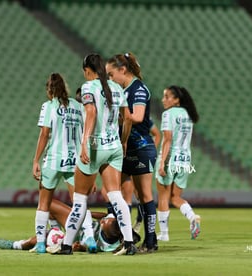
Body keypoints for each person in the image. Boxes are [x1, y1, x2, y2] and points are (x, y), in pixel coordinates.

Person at [51, 53, 136, 256]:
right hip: (114, 146)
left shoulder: (89, 87)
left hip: (95, 146)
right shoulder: (117, 87)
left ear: (87, 70)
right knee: (116, 196)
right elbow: (128, 119)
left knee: (80, 200)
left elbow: (91, 113)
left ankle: (66, 246)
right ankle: (129, 243)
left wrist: (84, 144)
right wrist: (123, 141)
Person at [31, 73, 95, 254]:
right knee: (80, 201)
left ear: (49, 90)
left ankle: (42, 244)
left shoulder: (49, 106)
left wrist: (36, 160)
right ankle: (89, 237)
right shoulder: (78, 106)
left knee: (44, 202)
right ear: (65, 88)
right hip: (75, 160)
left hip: (53, 159)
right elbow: (86, 134)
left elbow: (44, 134)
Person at [106, 52, 158, 253]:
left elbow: (137, 116)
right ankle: (124, 237)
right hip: (124, 147)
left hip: (141, 147)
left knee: (144, 194)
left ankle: (151, 241)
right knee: (115, 191)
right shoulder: (123, 89)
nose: (110, 79)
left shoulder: (138, 89)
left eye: (111, 74)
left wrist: (121, 117)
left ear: (122, 70)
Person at [0, 199, 140, 252]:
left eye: (103, 224)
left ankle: (15, 245)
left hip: (75, 236)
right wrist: (87, 213)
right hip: (79, 223)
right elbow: (104, 216)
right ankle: (55, 227)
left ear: (110, 234)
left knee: (45, 237)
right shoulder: (114, 222)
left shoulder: (108, 246)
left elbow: (83, 248)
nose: (103, 221)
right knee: (49, 206)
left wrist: (81, 248)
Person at [155, 85, 201, 241]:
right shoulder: (188, 115)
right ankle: (192, 217)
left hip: (170, 158)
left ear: (176, 100)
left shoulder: (168, 114)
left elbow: (167, 140)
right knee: (175, 197)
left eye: (167, 97)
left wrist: (162, 164)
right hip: (185, 159)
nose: (163, 100)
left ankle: (164, 234)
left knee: (163, 196)